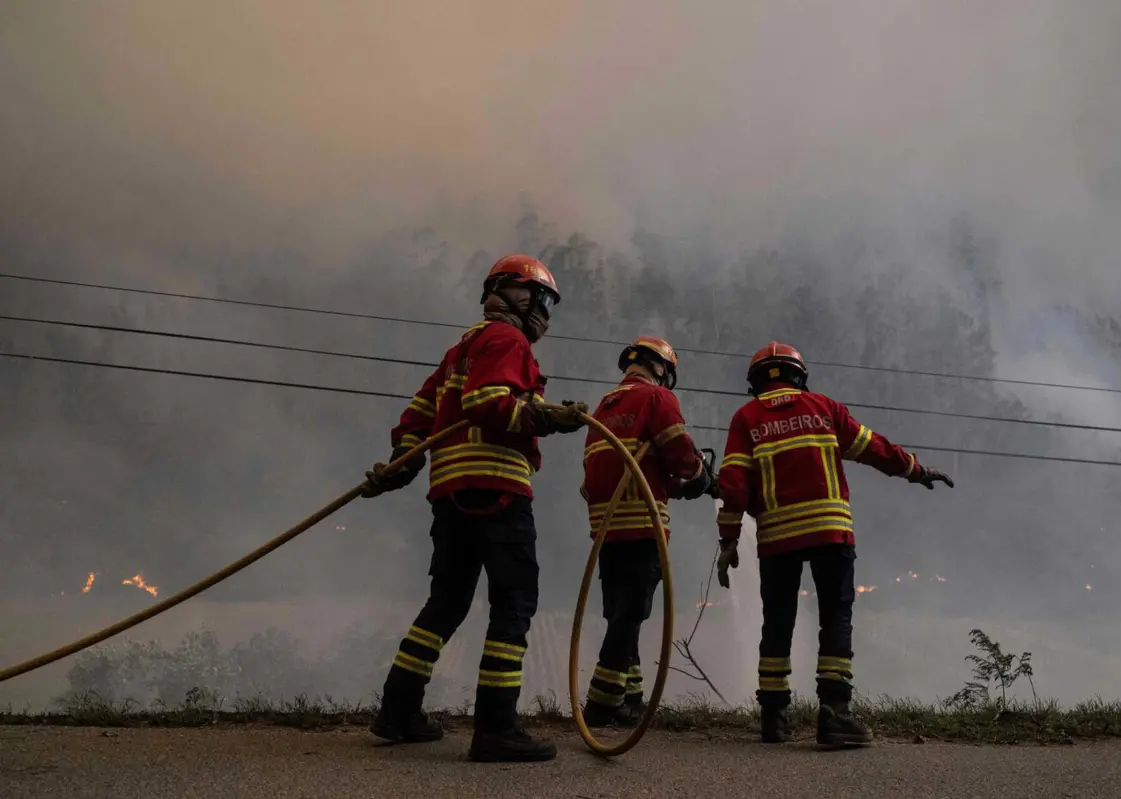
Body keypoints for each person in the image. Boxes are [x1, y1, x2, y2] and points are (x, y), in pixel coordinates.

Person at [360, 254, 590, 763]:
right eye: (542, 299)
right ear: (516, 294)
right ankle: (496, 727)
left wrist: (403, 460)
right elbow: (487, 403)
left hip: (450, 493)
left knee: (446, 603)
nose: (545, 313)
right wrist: (545, 418)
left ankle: (398, 711)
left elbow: (419, 414)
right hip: (497, 488)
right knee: (514, 604)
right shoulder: (507, 341)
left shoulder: (460, 348)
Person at [714, 342, 953, 748]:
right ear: (799, 376)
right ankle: (835, 715)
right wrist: (915, 470)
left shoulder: (746, 418)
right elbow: (874, 449)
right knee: (835, 618)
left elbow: (733, 485)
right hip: (830, 532)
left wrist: (728, 540)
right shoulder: (824, 408)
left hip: (776, 537)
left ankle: (773, 718)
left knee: (777, 622)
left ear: (755, 383)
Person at [578, 336, 715, 728]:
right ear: (661, 369)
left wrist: (670, 484)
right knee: (631, 615)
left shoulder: (605, 407)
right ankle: (601, 704)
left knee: (622, 614)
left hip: (606, 530)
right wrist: (701, 477)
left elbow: (616, 469)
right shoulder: (657, 399)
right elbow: (680, 453)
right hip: (642, 524)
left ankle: (631, 698)